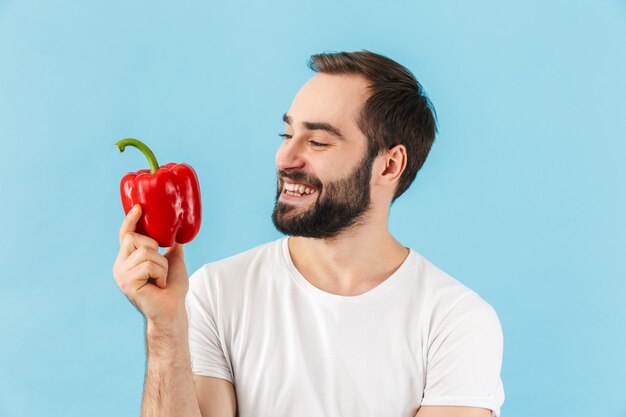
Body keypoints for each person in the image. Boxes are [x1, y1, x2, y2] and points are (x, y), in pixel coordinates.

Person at [113, 50, 505, 417]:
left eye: (317, 141)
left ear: (389, 166)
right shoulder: (218, 291)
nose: (285, 158)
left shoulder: (456, 321)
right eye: (287, 135)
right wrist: (165, 329)